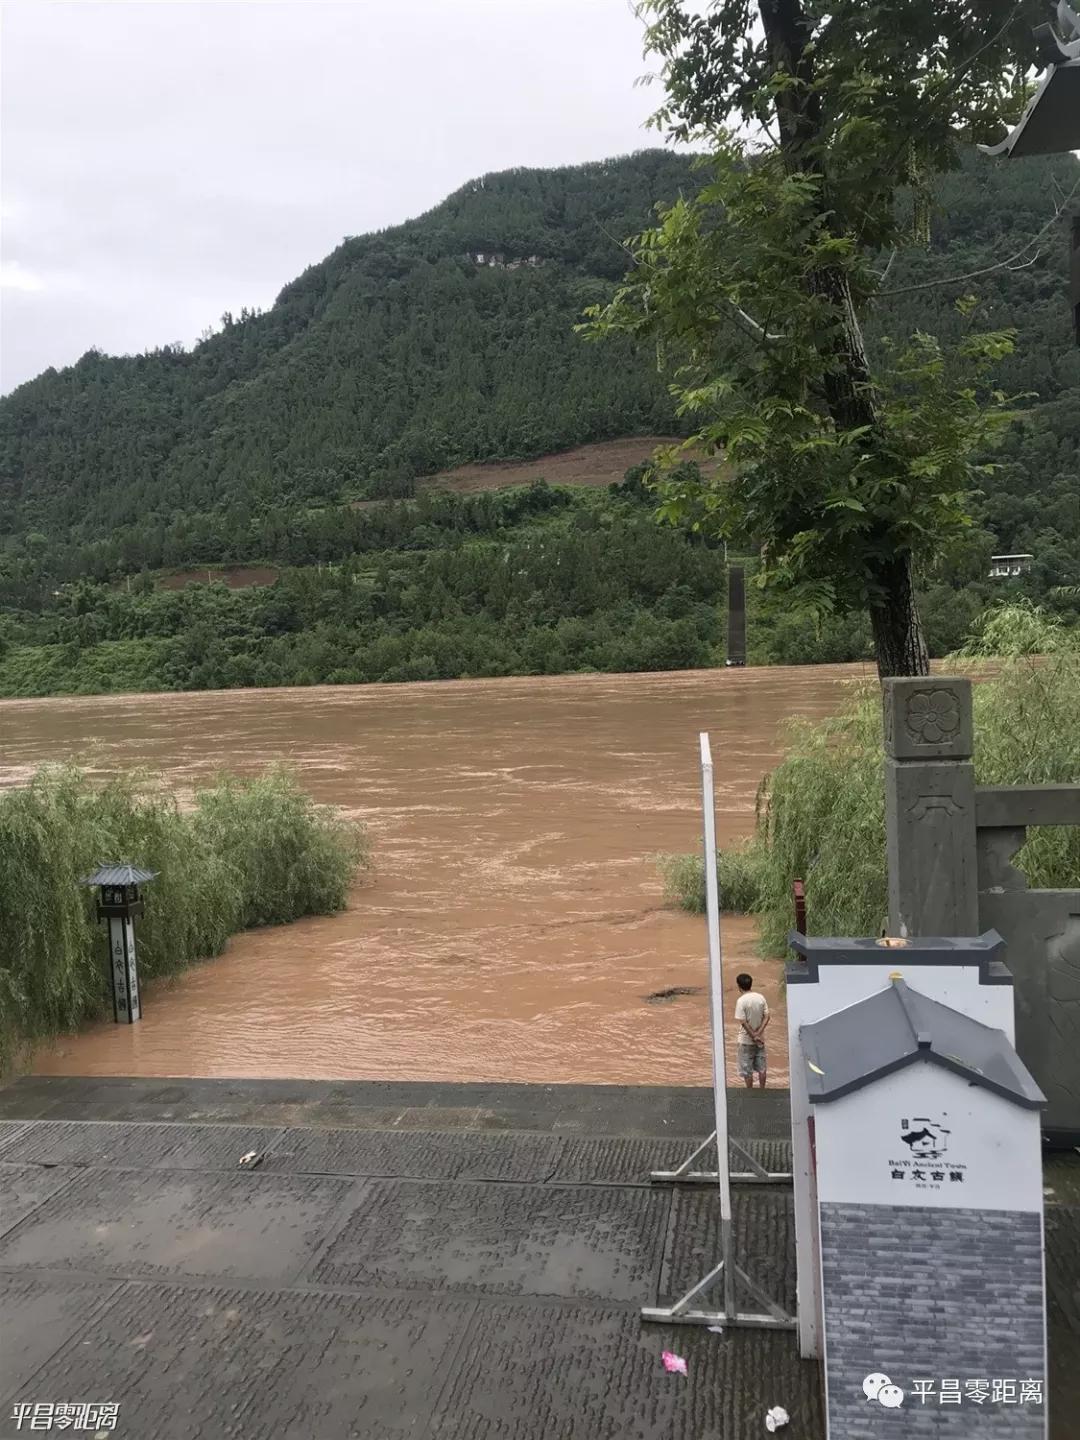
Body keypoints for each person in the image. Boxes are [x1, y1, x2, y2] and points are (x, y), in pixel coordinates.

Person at [734, 972, 769, 1089]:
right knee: (762, 1068)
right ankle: (763, 1091)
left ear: (739, 986)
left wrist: (753, 1035)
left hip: (745, 1040)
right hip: (760, 1040)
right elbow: (767, 1017)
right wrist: (758, 1034)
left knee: (747, 1070)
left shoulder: (741, 1001)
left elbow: (743, 1022)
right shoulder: (760, 997)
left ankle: (749, 1093)